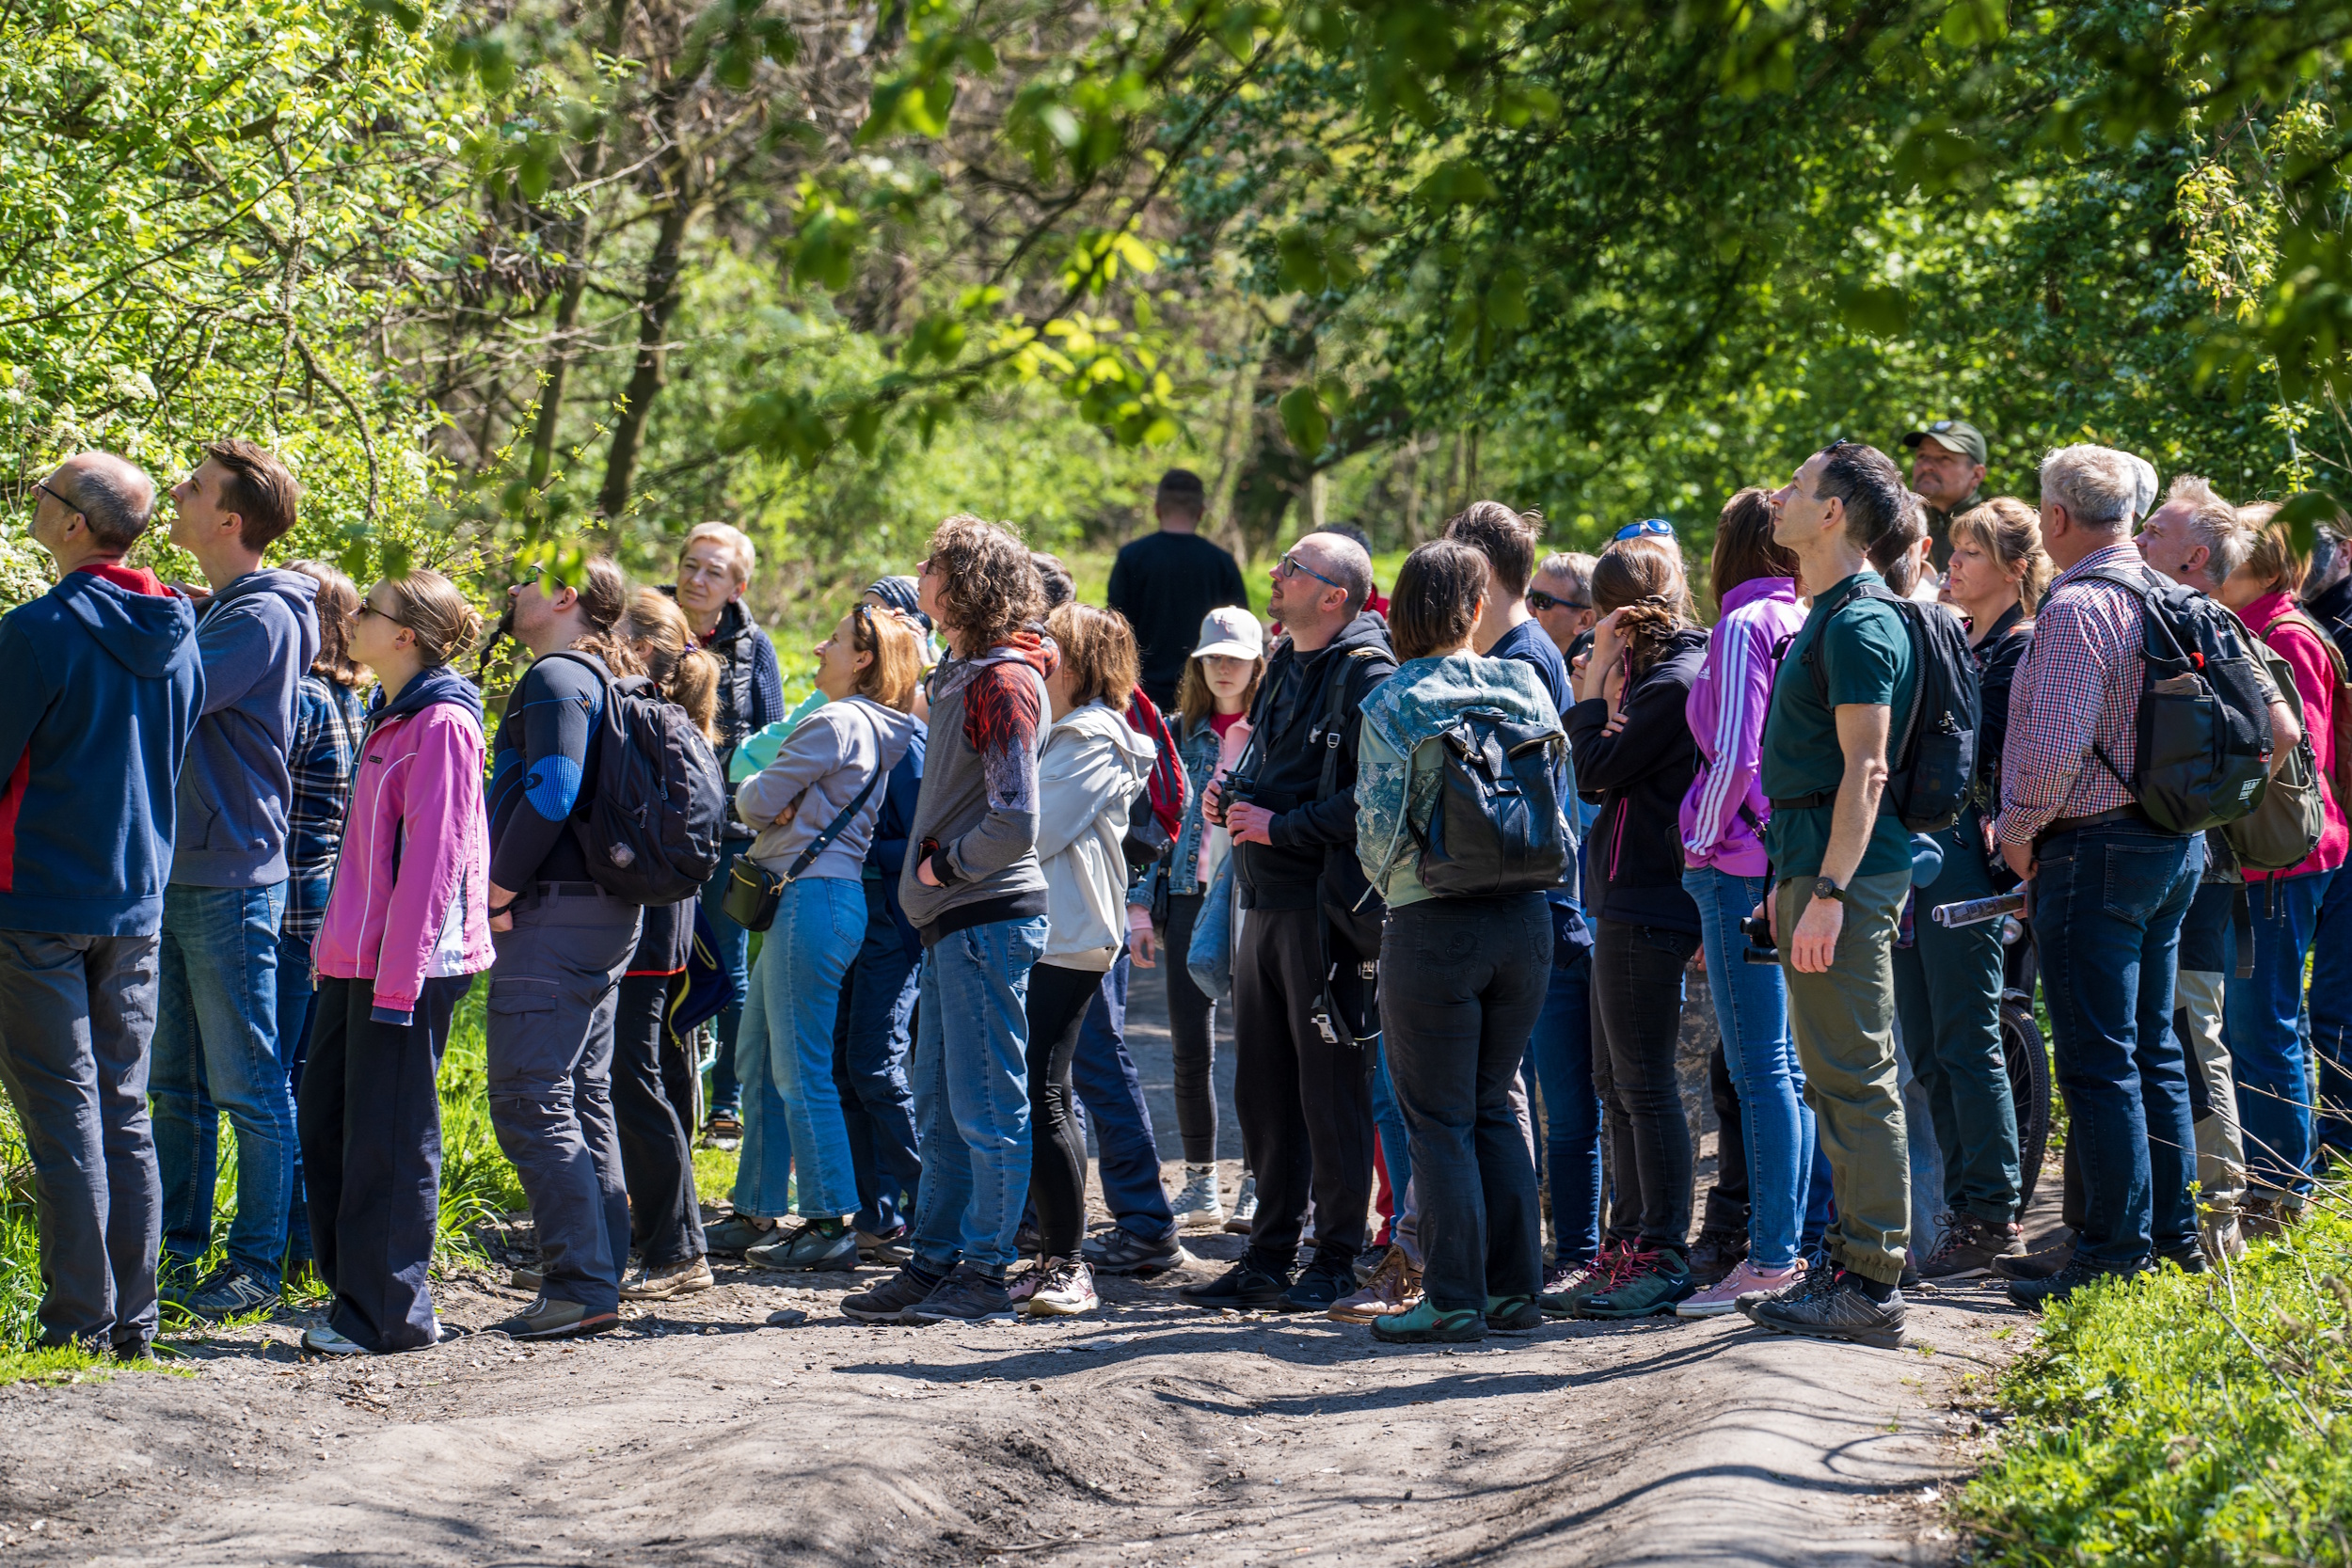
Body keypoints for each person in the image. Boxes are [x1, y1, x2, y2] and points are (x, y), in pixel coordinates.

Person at [1991, 445, 2206, 1307]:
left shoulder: (2080, 605)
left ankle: (2114, 1257)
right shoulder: (2176, 595)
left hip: (2097, 850)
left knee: (2101, 1059)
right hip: (2175, 844)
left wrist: (2013, 833)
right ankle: (2174, 1242)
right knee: (2154, 1049)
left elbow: (2049, 747)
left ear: (2054, 518)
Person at [0, 453, 199, 1357]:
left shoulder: (35, 632)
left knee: (64, 1108)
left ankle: (79, 1319)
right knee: (119, 1104)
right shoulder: (181, 631)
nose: (30, 501)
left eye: (41, 492)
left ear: (75, 523)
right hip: (134, 903)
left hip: (35, 899)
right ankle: (134, 1322)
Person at [843, 515, 1057, 1326]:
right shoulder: (967, 673)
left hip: (985, 915)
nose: (918, 573)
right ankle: (935, 1262)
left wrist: (942, 866)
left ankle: (985, 1272)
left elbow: (1016, 818)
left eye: (931, 563)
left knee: (986, 1106)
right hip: (953, 924)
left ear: (964, 581)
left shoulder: (1003, 680)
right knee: (938, 1104)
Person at [1178, 530, 1395, 1317]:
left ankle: (1334, 1258)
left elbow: (1371, 800)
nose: (1275, 574)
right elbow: (1270, 764)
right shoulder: (1285, 664)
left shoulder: (1370, 672)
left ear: (1333, 595)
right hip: (1261, 902)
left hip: (1324, 910)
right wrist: (1229, 794)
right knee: (1263, 1090)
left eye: (1292, 569)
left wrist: (1279, 825)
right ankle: (1269, 1254)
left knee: (1331, 1091)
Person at [1349, 540, 1561, 1342]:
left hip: (1433, 921)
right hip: (1528, 920)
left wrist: (1408, 877)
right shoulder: (1528, 683)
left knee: (1437, 1118)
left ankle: (1453, 1298)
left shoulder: (1396, 699)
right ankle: (1513, 1292)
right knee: (1495, 1106)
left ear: (1399, 611)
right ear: (1478, 609)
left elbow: (1376, 830)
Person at [1737, 440, 1919, 1347]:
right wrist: (1792, 882)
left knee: (1854, 1075)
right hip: (1810, 865)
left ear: (1836, 512)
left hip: (1841, 873)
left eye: (1800, 487)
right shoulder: (1830, 613)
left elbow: (1869, 769)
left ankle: (1874, 1281)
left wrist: (1831, 892)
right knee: (1834, 1073)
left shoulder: (1859, 622)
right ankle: (1850, 1264)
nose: (1782, 496)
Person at [297, 570, 494, 1354]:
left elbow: (435, 863)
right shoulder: (390, 713)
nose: (352, 617)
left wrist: (399, 977)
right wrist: (329, 949)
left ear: (405, 634)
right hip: (353, 960)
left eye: (368, 610)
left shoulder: (442, 721)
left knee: (389, 1132)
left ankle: (390, 1315)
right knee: (330, 1120)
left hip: (406, 965)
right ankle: (361, 1295)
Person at [152, 439, 322, 1321]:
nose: (176, 494)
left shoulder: (260, 613)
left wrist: (135, 611)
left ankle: (256, 1262)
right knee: (175, 1086)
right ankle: (177, 1256)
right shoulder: (225, 606)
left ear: (229, 519)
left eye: (192, 486)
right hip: (179, 871)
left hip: (231, 879)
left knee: (249, 1083)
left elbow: (172, 691)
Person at [723, 602, 924, 1273]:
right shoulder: (879, 726)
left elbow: (750, 800)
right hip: (825, 900)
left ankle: (826, 1217)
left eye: (834, 641)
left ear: (864, 657)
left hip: (806, 898)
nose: (818, 647)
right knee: (758, 1056)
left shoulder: (836, 720)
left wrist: (760, 792)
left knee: (798, 1067)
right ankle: (755, 1203)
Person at [481, 556, 645, 1341]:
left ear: (566, 596)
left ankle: (579, 1283)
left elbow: (552, 790)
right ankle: (601, 1268)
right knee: (582, 1093)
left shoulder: (555, 678)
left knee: (527, 1095)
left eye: (525, 580)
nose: (510, 593)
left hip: (553, 915)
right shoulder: (607, 681)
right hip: (604, 914)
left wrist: (498, 889)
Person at [1893, 499, 2049, 1282]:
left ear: (2016, 569)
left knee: (1968, 1035)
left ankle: (1994, 1213)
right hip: (1928, 852)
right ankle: (1965, 1210)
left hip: (1974, 856)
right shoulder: (1960, 638)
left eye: (1971, 554)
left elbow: (2002, 760)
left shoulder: (2022, 650)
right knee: (1925, 1044)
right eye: (1951, 551)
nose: (1952, 566)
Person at [1559, 535, 1708, 1320]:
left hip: (1652, 899)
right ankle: (1627, 1245)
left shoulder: (1676, 682)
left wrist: (1589, 684)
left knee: (1645, 1086)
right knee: (1616, 1084)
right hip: (1623, 896)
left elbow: (1590, 773)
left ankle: (1662, 1252)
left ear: (1610, 614)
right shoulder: (1653, 679)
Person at [1674, 490, 1816, 1317]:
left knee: (1761, 1065)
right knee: (1785, 1069)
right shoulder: (1804, 618)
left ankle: (1769, 1258)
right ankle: (1786, 1247)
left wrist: (1697, 841)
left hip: (1737, 860)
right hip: (1792, 858)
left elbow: (1734, 750)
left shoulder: (1741, 627)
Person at [1010, 604, 1155, 1317]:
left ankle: (1069, 1265)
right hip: (1051, 931)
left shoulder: (1092, 735)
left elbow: (1035, 829)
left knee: (1046, 1090)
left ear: (1077, 659)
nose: (1034, 653)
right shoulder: (1061, 732)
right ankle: (1049, 1258)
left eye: (1048, 644)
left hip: (1070, 936)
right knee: (1043, 1091)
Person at [2128, 477, 2260, 1260]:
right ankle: (2167, 1217)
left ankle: (2218, 1226)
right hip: (2189, 871)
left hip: (2201, 878)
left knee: (2191, 1034)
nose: (2140, 541)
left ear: (2195, 555)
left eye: (2154, 533)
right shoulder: (2179, 625)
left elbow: (2273, 738)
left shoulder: (2215, 630)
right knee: (2168, 1035)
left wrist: (2186, 811)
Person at [2217, 503, 2347, 1232]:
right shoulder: (2258, 625)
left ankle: (2281, 1189)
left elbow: (2301, 758)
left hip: (2284, 859)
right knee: (2267, 1017)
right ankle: (2279, 1176)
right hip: (2285, 857)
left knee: (2264, 1020)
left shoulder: (2283, 633)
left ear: (2259, 559)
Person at [602, 590, 723, 1300]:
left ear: (643, 649)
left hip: (648, 929)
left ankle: (679, 1248)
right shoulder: (676, 719)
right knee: (639, 1075)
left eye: (613, 636)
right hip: (659, 925)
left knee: (633, 1077)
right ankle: (657, 1238)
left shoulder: (653, 720)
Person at [1148, 607, 1263, 1227]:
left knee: (1257, 1044)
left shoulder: (1272, 728)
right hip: (1188, 897)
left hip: (1251, 897)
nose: (1224, 668)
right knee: (1189, 1045)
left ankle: (1257, 1179)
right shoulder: (1178, 730)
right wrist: (1141, 906)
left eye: (1236, 657)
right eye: (1213, 657)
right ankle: (1199, 1181)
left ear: (1257, 662)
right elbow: (1156, 825)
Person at [671, 522, 785, 1149]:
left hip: (730, 830)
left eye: (713, 571)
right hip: (658, 826)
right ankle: (668, 1087)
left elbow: (771, 733)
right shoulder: (653, 621)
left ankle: (728, 1103)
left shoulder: (754, 644)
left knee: (730, 966)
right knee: (657, 960)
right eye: (691, 564)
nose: (696, 578)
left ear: (737, 585)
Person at [832, 580, 931, 1260]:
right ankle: (875, 1215)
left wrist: (862, 840)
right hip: (845, 918)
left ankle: (933, 1206)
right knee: (844, 1067)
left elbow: (929, 836)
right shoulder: (845, 722)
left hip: (893, 928)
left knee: (875, 1064)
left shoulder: (908, 738)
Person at [275, 561, 369, 1285]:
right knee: (309, 1080)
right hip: (331, 908)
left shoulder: (300, 698)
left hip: (285, 908)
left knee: (273, 1078)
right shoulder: (355, 702)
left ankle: (278, 1236)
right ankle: (311, 1241)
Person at [2299, 516, 2352, 1172]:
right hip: (2323, 830)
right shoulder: (2299, 616)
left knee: (2336, 998)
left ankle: (2339, 1146)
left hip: (2340, 831)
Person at [1107, 469, 1249, 711]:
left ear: (1157, 509)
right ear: (1201, 513)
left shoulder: (1132, 557)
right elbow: (1240, 628)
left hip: (1140, 692)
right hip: (1207, 690)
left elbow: (1114, 625)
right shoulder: (1221, 562)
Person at [1901, 420, 1989, 567]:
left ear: (1976, 475)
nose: (1927, 466)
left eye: (1944, 458)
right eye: (1922, 456)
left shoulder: (1995, 533)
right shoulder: (1898, 525)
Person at [1529, 551, 1599, 661]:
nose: (1527, 607)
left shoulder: (1587, 676)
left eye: (1542, 600)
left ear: (1583, 620)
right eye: (1529, 593)